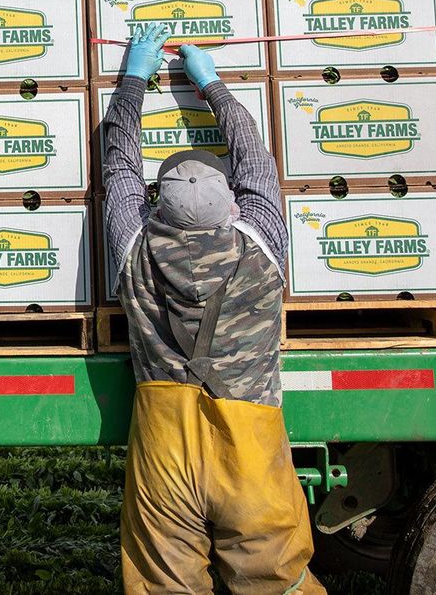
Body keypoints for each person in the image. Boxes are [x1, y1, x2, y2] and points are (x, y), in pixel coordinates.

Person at [100, 31, 323, 595]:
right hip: (249, 441)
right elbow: (253, 155)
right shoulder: (262, 242)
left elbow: (119, 168)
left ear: (156, 202)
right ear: (232, 202)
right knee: (277, 582)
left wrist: (132, 81)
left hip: (165, 449)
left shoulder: (135, 246)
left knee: (163, 585)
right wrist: (210, 83)